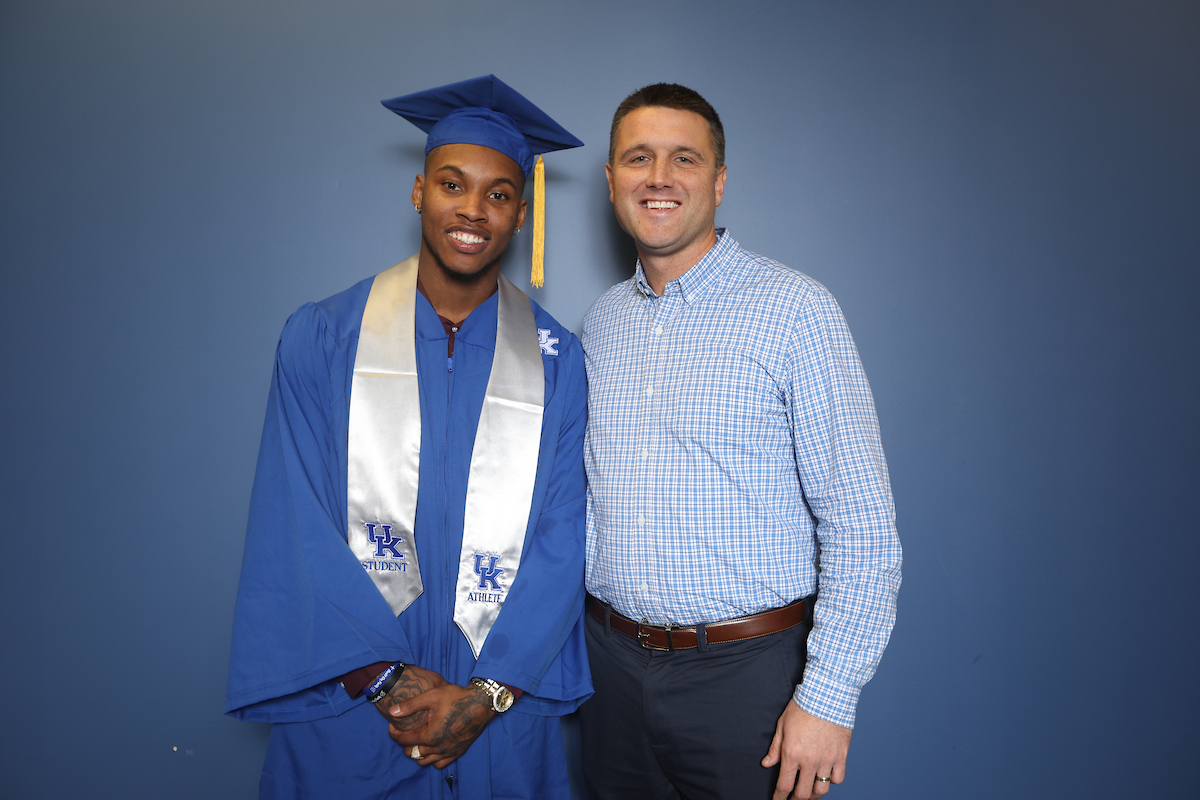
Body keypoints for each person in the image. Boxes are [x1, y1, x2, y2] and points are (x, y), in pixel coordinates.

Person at [225, 75, 591, 799]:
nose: (473, 210)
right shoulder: (323, 337)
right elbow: (292, 519)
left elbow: (564, 534)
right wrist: (384, 677)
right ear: (419, 191)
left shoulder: (558, 358)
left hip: (497, 710)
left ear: (521, 215)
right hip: (351, 699)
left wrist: (486, 693)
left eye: (498, 193)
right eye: (453, 185)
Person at [579, 83, 902, 800]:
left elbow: (864, 527)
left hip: (747, 681)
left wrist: (828, 699)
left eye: (684, 159)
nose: (659, 177)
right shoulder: (598, 325)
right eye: (638, 158)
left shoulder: (797, 311)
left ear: (718, 182)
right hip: (609, 675)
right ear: (611, 182)